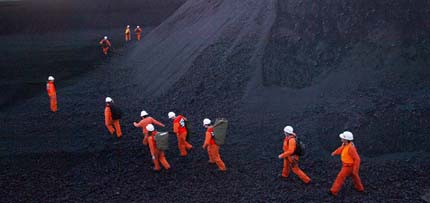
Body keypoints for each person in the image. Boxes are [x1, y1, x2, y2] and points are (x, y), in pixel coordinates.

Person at [330, 131, 364, 196]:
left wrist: (355, 170)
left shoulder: (351, 148)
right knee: (355, 177)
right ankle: (360, 188)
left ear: (346, 139)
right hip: (348, 166)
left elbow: (357, 159)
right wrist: (335, 152)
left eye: (342, 138)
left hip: (348, 167)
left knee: (340, 177)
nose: (341, 139)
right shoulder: (345, 144)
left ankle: (333, 191)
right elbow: (340, 149)